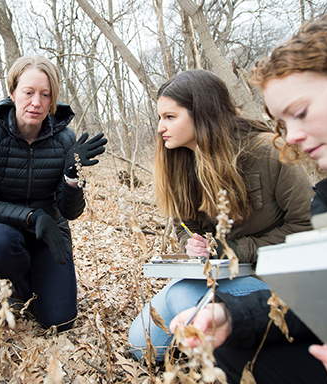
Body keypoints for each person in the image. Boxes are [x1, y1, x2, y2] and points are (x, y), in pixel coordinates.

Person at [169, 7, 327, 384]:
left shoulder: (266, 157)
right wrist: (232, 316)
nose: (290, 137)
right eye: (283, 123)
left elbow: (297, 227)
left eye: (302, 112)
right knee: (229, 341)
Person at [127, 69, 314, 361]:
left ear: (202, 115)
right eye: (160, 118)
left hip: (268, 278)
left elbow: (308, 226)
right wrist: (191, 244)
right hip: (212, 276)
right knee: (141, 346)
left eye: (170, 117)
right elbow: (184, 226)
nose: (161, 127)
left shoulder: (268, 151)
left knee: (184, 298)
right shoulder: (181, 159)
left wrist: (235, 250)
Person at [0, 55, 107, 331]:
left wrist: (71, 176)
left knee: (60, 321)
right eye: (28, 92)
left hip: (50, 232)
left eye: (45, 95)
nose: (36, 102)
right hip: (4, 228)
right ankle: (20, 284)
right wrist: (32, 217)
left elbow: (71, 211)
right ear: (12, 93)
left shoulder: (66, 139)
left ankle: (42, 277)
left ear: (53, 99)